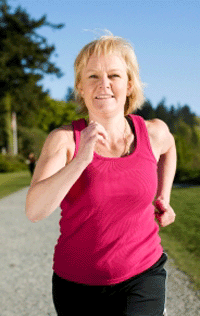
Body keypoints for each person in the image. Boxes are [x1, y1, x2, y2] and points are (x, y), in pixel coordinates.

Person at [25, 34, 176, 316]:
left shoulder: (152, 132)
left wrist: (163, 196)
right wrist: (81, 159)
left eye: (114, 75)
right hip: (77, 285)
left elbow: (169, 147)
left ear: (129, 85)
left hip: (143, 274)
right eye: (92, 76)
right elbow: (34, 210)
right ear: (80, 88)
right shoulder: (63, 140)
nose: (103, 84)